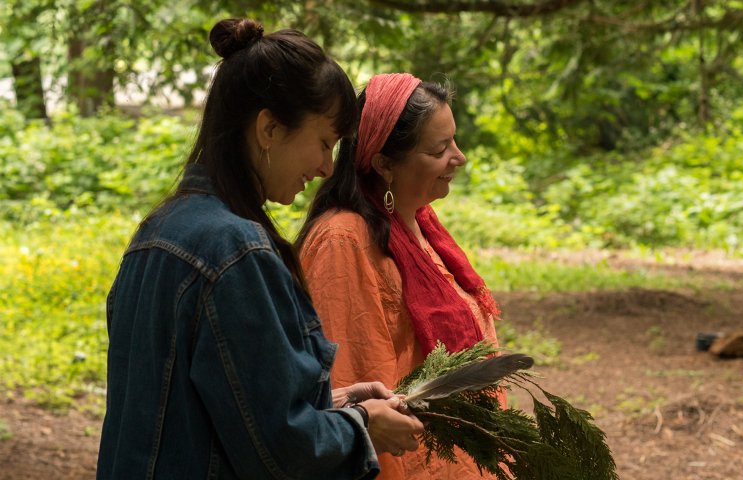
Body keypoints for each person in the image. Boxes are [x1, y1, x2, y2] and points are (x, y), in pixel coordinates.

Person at [96, 20, 423, 480]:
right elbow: (281, 450)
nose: (328, 167)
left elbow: (206, 411)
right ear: (269, 128)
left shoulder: (155, 232)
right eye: (325, 142)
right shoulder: (237, 251)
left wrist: (339, 403)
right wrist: (364, 425)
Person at [297, 73, 504, 479]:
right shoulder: (344, 240)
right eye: (440, 148)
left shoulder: (421, 225)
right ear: (385, 164)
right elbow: (354, 386)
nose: (459, 157)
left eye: (454, 141)